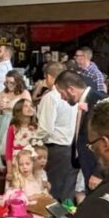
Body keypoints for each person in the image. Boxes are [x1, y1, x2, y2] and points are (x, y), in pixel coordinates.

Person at [53, 71, 106, 193]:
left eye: (62, 93)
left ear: (71, 89)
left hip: (96, 170)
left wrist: (98, 172)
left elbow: (108, 138)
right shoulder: (85, 101)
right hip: (85, 165)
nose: (62, 98)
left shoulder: (99, 101)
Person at [36, 62, 77, 202]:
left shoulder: (51, 97)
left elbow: (46, 127)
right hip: (72, 146)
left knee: (53, 190)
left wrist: (34, 142)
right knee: (68, 191)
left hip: (55, 148)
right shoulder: (74, 96)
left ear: (49, 77)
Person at [0, 71, 32, 156]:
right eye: (7, 82)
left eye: (12, 82)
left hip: (16, 122)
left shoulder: (24, 93)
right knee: (1, 152)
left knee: (15, 150)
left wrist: (11, 107)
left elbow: (29, 110)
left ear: (18, 82)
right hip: (2, 123)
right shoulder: (4, 92)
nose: (9, 85)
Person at [3, 98, 41, 165]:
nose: (30, 108)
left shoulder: (37, 127)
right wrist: (9, 170)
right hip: (17, 163)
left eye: (31, 106)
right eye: (26, 106)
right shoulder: (13, 128)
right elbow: (8, 150)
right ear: (19, 110)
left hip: (33, 162)